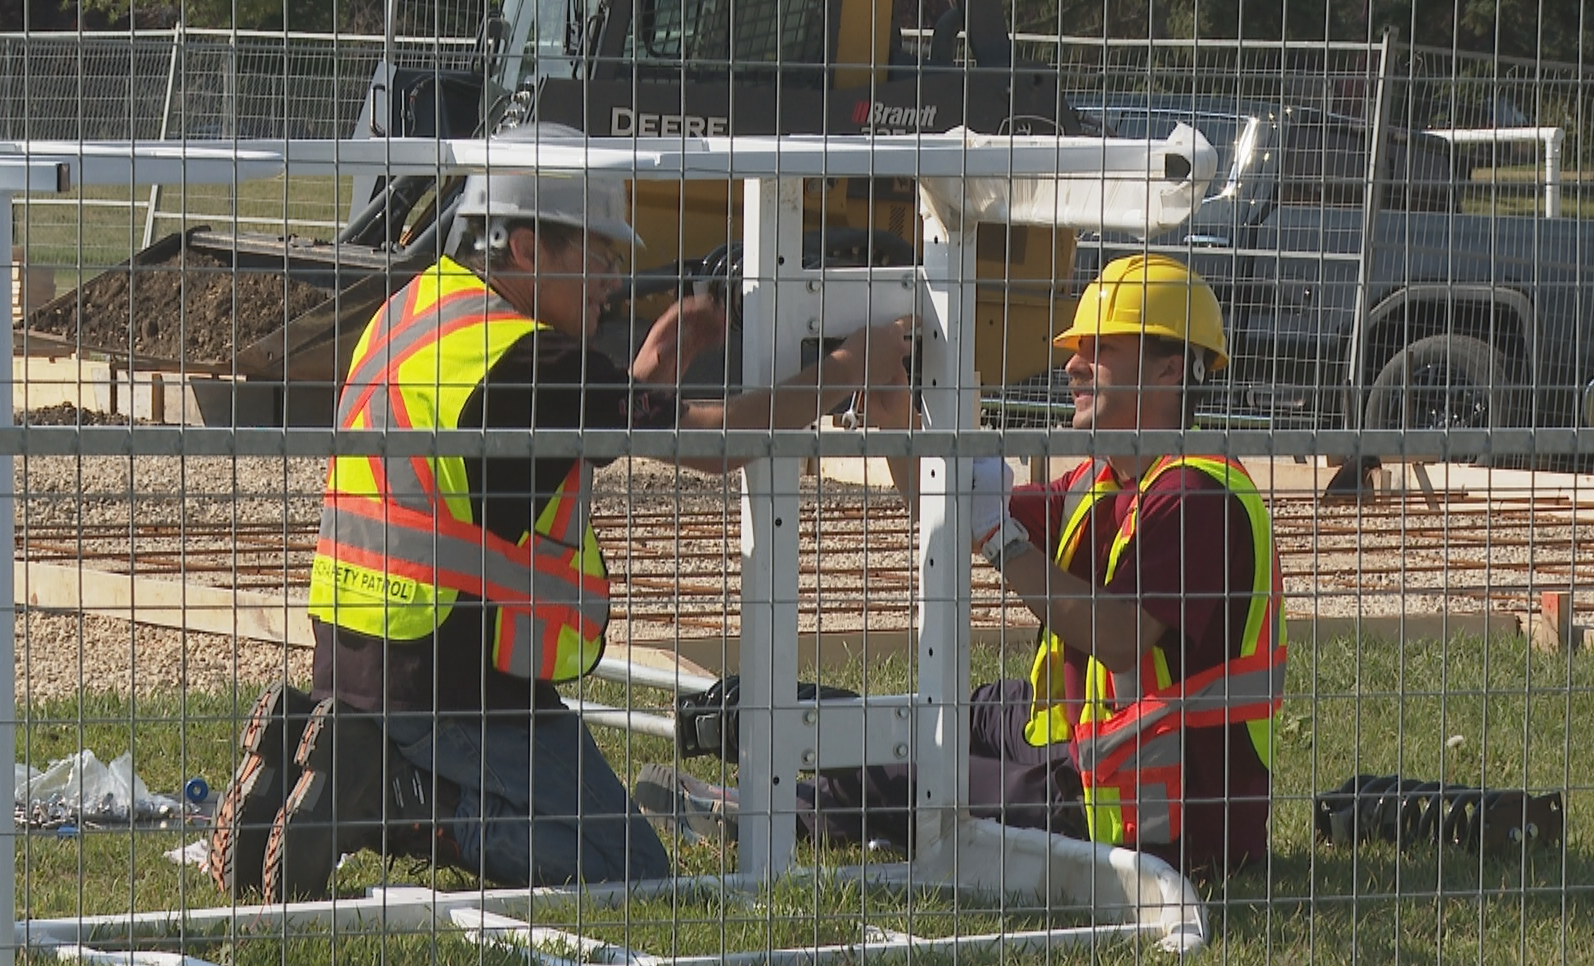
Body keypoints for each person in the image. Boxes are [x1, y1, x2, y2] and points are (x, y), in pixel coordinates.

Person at [206, 138, 914, 901]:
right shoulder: (532, 363)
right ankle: (401, 800)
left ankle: (308, 752)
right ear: (525, 245)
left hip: (356, 667)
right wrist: (850, 367)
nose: (612, 283)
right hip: (458, 694)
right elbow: (722, 443)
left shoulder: (418, 315)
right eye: (599, 256)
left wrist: (650, 369)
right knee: (631, 871)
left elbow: (529, 454)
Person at [636, 254, 1286, 879]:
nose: (1074, 366)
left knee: (913, 773)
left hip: (1150, 810)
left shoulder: (1197, 499)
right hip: (1081, 738)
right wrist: (896, 417)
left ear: (1172, 371)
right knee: (934, 715)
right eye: (1078, 348)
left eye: (1102, 350)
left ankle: (759, 813)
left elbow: (1118, 640)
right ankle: (786, 733)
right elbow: (941, 497)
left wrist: (1000, 538)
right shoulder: (1106, 483)